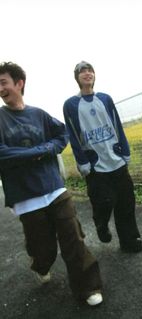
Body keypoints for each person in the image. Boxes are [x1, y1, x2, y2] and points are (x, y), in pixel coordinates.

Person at [0, 62, 103, 306]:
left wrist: (48, 148)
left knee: (74, 239)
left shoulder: (38, 114)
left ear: (19, 83)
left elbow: (62, 134)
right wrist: (37, 152)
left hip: (54, 188)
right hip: (27, 197)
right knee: (42, 248)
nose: (0, 88)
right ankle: (40, 264)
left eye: (3, 82)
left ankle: (88, 288)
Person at [63, 61, 142, 253]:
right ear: (77, 77)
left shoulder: (105, 99)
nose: (87, 73)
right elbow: (73, 135)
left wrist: (124, 151)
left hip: (115, 159)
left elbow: (117, 126)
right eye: (82, 71)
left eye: (90, 70)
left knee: (126, 202)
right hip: (95, 164)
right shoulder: (71, 105)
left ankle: (129, 241)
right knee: (104, 201)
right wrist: (82, 161)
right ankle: (101, 223)